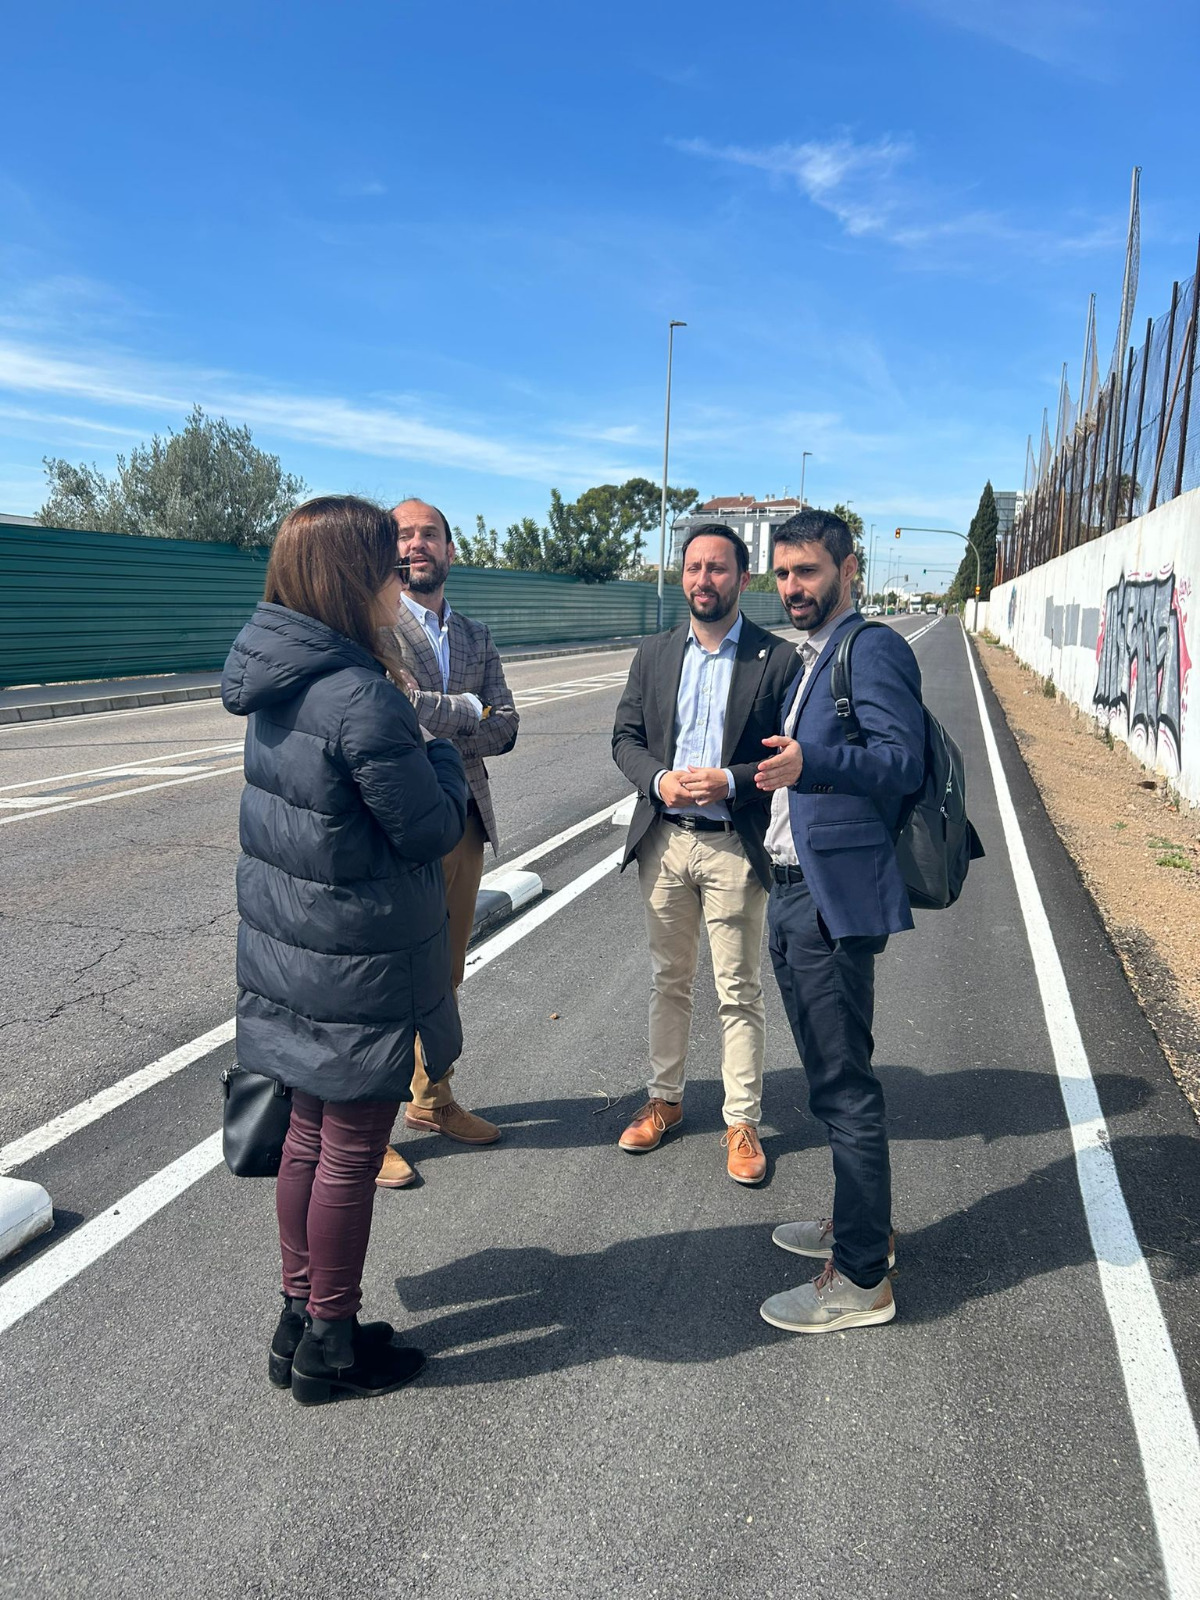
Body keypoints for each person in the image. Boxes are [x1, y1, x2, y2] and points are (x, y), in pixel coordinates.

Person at [222, 495, 468, 1403]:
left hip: (293, 951)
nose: (396, 582)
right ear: (352, 578)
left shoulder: (276, 678)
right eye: (385, 567)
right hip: (357, 959)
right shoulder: (362, 693)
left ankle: (299, 1316)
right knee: (351, 1151)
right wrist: (435, 746)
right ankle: (332, 1341)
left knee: (307, 1139)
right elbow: (427, 828)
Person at [754, 508, 924, 1334]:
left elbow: (903, 763)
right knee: (833, 1077)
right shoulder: (810, 659)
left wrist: (810, 761)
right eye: (783, 574)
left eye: (808, 573)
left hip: (829, 902)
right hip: (792, 889)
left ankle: (861, 1278)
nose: (792, 588)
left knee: (844, 1089)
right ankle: (865, 1227)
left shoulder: (872, 647)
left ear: (847, 571)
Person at [611, 525, 801, 1183]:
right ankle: (665, 1100)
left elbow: (788, 756)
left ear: (741, 579)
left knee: (737, 988)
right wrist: (658, 780)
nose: (702, 580)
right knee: (669, 979)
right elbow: (626, 738)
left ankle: (742, 1122)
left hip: (732, 847)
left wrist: (733, 780)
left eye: (717, 568)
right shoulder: (656, 654)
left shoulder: (776, 661)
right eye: (693, 567)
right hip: (664, 839)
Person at [373, 498, 520, 1188]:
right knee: (383, 978)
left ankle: (432, 1100)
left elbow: (508, 725)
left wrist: (442, 717)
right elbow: (391, 719)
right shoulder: (375, 627)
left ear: (450, 549)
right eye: (404, 534)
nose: (417, 543)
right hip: (398, 824)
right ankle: (367, 1130)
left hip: (463, 820)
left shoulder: (476, 635)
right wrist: (466, 712)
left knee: (446, 974)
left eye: (429, 532)